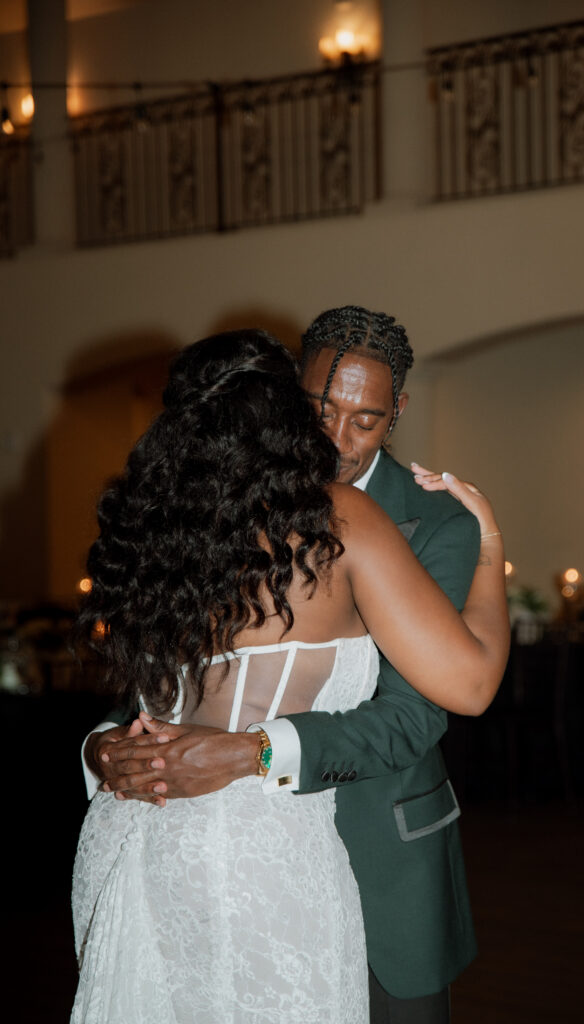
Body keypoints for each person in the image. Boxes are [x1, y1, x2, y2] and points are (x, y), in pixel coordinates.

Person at [82, 310, 509, 1024]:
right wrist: (494, 547)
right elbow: (469, 684)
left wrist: (138, 753)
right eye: (320, 409)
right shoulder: (336, 517)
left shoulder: (160, 521)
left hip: (351, 858)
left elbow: (411, 715)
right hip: (261, 867)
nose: (337, 438)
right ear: (288, 397)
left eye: (365, 420)